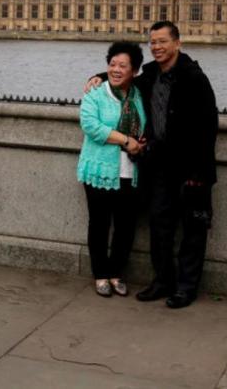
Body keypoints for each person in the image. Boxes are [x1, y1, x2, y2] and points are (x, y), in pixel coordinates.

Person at [87, 21, 218, 309]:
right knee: (160, 227)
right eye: (153, 42)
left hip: (191, 169)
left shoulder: (195, 78)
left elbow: (208, 128)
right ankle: (162, 281)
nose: (156, 47)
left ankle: (186, 287)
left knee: (192, 231)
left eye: (162, 41)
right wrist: (99, 76)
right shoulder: (149, 75)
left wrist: (200, 173)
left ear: (177, 43)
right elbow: (125, 77)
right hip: (159, 166)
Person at [77, 42, 146, 297]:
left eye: (122, 66)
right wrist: (126, 140)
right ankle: (100, 274)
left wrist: (141, 140)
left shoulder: (139, 95)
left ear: (135, 71)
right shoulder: (95, 92)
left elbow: (145, 128)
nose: (116, 69)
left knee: (126, 226)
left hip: (130, 170)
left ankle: (117, 272)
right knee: (99, 224)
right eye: (112, 64)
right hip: (98, 169)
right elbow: (91, 127)